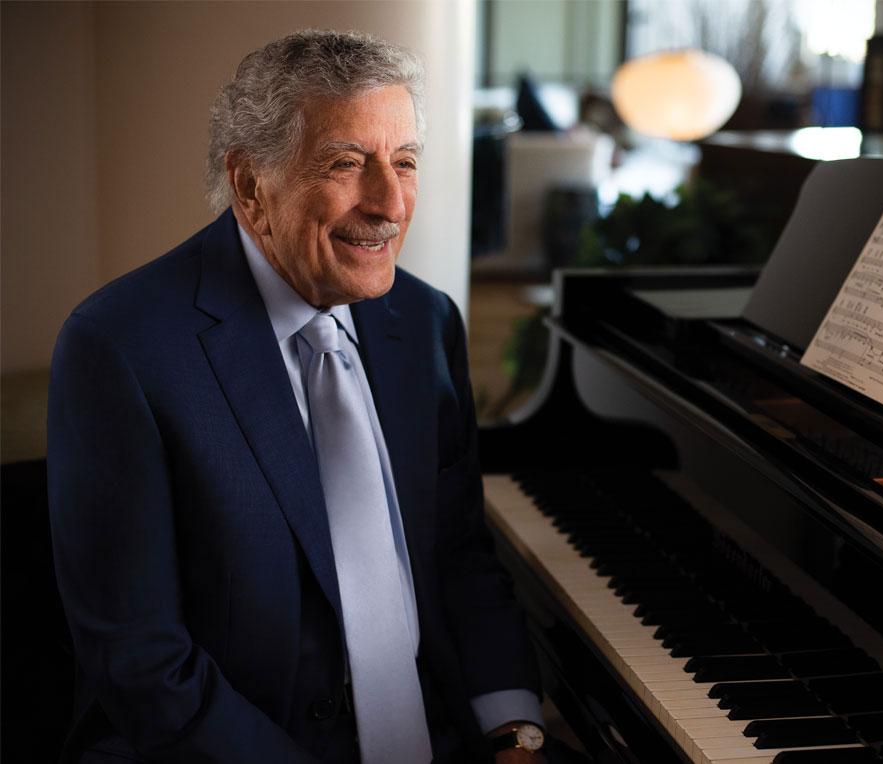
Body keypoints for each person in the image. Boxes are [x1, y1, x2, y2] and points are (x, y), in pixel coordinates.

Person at [47, 29, 547, 764]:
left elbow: (460, 556)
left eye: (404, 163)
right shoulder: (119, 346)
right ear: (250, 185)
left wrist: (514, 729)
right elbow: (141, 658)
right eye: (347, 164)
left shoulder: (426, 320)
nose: (389, 203)